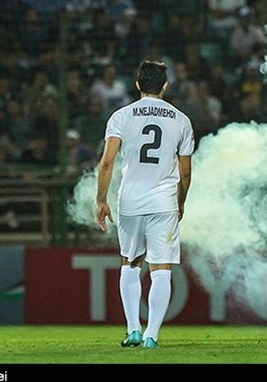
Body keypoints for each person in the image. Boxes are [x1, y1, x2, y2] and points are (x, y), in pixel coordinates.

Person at [95, 60, 194, 350]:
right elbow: (185, 172)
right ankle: (152, 335)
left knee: (130, 263)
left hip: (131, 201)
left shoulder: (121, 117)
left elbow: (107, 162)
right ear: (165, 86)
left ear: (138, 85)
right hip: (164, 201)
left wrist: (101, 200)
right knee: (161, 268)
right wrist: (181, 201)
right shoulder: (181, 120)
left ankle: (133, 330)